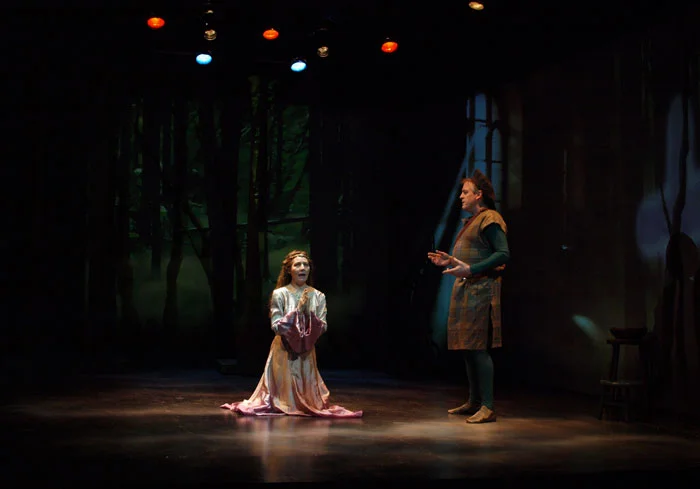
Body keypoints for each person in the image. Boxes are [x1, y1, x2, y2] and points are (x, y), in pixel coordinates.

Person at [220, 250, 363, 418]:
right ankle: (283, 401)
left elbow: (323, 326)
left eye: (306, 265)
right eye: (297, 265)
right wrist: (297, 312)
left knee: (306, 391)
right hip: (284, 349)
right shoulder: (280, 294)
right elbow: (276, 326)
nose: (302, 268)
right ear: (289, 270)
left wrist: (308, 316)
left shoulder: (318, 296)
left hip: (305, 351)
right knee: (282, 393)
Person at [427, 169, 510, 424]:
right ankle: (474, 400)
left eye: (465, 192)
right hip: (467, 288)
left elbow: (503, 253)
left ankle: (487, 406)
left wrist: (471, 269)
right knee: (467, 347)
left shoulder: (490, 218)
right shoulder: (472, 221)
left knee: (477, 348)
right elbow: (470, 257)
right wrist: (451, 261)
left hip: (481, 289)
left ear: (478, 195)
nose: (461, 197)